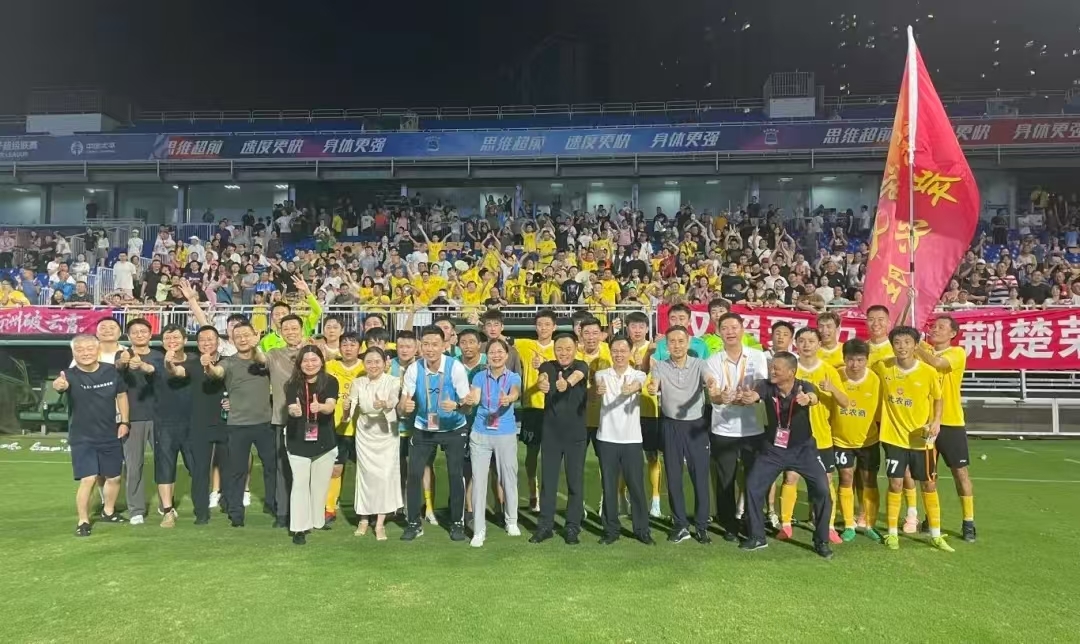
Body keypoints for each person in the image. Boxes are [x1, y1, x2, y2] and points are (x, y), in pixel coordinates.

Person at [738, 352, 835, 559]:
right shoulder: (766, 386)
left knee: (822, 490)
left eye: (777, 368)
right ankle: (757, 536)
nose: (772, 371)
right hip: (773, 451)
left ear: (791, 372)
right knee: (753, 486)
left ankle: (821, 541)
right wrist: (749, 397)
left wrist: (808, 399)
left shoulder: (804, 386)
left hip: (804, 451)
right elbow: (755, 394)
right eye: (771, 367)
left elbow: (814, 397)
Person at [874, 326, 952, 552]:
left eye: (907, 342)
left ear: (915, 345)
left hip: (921, 439)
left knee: (928, 484)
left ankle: (935, 534)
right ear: (892, 345)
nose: (902, 347)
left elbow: (938, 399)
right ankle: (891, 533)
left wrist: (936, 421)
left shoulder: (928, 371)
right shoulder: (883, 366)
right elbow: (857, 368)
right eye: (897, 342)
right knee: (895, 483)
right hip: (893, 438)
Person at [398, 325, 473, 542]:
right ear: (420, 346)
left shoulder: (455, 367)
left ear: (443, 346)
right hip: (423, 427)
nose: (430, 349)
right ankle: (414, 523)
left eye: (435, 344)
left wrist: (458, 406)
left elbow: (467, 407)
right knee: (414, 474)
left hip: (453, 428)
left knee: (455, 474)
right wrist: (405, 408)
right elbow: (403, 405)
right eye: (426, 344)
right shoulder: (414, 369)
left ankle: (457, 522)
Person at [54, 335, 130, 537]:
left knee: (114, 477)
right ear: (74, 353)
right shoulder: (68, 375)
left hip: (110, 434)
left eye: (89, 348)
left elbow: (121, 395)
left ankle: (109, 512)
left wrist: (125, 421)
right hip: (82, 437)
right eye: (80, 349)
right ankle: (83, 521)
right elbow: (59, 385)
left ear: (97, 351)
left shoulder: (111, 371)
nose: (85, 353)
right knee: (88, 479)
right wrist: (59, 385)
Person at [778, 327, 848, 544]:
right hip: (794, 436)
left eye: (811, 341)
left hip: (821, 436)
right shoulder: (789, 369)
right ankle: (786, 525)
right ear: (796, 344)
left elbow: (845, 402)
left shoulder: (829, 370)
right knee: (791, 477)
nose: (806, 345)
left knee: (826, 481)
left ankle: (828, 526)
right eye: (802, 341)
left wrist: (832, 389)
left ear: (819, 344)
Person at [704, 313, 768, 542]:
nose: (730, 332)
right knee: (725, 480)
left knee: (754, 479)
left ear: (742, 329)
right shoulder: (713, 360)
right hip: (724, 428)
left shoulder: (758, 356)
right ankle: (729, 524)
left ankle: (752, 521)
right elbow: (713, 393)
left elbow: (762, 385)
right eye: (725, 328)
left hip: (753, 428)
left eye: (734, 327)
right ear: (719, 332)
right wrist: (720, 397)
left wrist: (754, 396)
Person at [206, 322, 277, 528]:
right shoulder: (229, 362)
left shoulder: (264, 359)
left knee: (271, 467)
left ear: (255, 335)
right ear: (233, 340)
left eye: (247, 335)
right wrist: (208, 366)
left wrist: (256, 348)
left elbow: (262, 360)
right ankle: (236, 512)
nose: (243, 339)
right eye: (238, 336)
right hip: (237, 425)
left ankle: (274, 505)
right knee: (237, 470)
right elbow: (217, 373)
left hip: (265, 423)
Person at [649, 325, 714, 544]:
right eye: (672, 342)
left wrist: (712, 384)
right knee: (674, 477)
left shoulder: (699, 364)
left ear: (688, 343)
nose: (676, 346)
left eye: (680, 341)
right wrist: (653, 387)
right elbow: (655, 383)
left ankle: (702, 526)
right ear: (666, 345)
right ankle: (680, 525)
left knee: (700, 476)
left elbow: (708, 378)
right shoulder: (660, 366)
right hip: (670, 426)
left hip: (696, 427)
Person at [916, 315, 977, 543]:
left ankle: (968, 521)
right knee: (928, 476)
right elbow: (901, 331)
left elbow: (937, 364)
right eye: (933, 326)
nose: (935, 329)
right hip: (926, 423)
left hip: (951, 423)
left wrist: (916, 347)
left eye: (941, 327)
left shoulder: (957, 353)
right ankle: (931, 519)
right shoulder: (923, 349)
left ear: (952, 333)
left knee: (960, 473)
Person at [529, 334, 589, 545]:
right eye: (559, 349)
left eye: (568, 349)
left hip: (576, 435)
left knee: (575, 483)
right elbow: (542, 377)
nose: (563, 353)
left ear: (575, 349)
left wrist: (567, 384)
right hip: (551, 435)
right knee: (548, 482)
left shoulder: (581, 365)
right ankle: (545, 526)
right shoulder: (548, 366)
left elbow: (578, 376)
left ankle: (572, 527)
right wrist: (542, 384)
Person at [594, 337, 653, 545]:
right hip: (607, 438)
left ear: (630, 353)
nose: (619, 354)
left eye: (623, 351)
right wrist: (599, 390)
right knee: (609, 486)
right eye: (615, 351)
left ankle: (642, 530)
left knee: (636, 486)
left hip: (631, 440)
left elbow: (639, 384)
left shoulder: (638, 374)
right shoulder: (602, 374)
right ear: (610, 353)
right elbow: (599, 386)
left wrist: (633, 388)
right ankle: (611, 530)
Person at [466, 338, 522, 547]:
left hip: (505, 433)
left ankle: (511, 520)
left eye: (500, 352)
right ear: (486, 356)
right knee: (479, 481)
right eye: (492, 352)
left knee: (508, 477)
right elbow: (475, 396)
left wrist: (509, 398)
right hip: (480, 433)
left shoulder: (513, 376)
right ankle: (479, 529)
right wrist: (470, 399)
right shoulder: (480, 376)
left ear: (506, 355)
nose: (496, 356)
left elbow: (515, 391)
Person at [170, 325, 227, 525]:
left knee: (230, 467)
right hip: (199, 424)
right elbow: (177, 372)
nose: (206, 343)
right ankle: (201, 512)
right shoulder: (192, 363)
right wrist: (169, 363)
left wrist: (209, 366)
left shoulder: (227, 362)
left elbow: (218, 375)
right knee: (200, 470)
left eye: (210, 339)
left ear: (218, 341)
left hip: (226, 423)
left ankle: (231, 506)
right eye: (202, 339)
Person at [282, 346, 339, 545]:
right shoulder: (292, 384)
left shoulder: (330, 381)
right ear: (299, 364)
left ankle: (317, 520)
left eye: (314, 360)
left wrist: (320, 407)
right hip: (297, 439)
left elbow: (331, 405)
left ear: (321, 361)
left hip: (324, 440)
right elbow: (291, 407)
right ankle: (299, 527)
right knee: (300, 483)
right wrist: (295, 411)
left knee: (320, 485)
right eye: (305, 360)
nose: (310, 364)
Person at [831, 339, 882, 543]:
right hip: (841, 440)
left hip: (868, 441)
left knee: (869, 480)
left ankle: (869, 524)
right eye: (851, 360)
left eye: (860, 360)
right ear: (844, 359)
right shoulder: (835, 375)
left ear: (867, 360)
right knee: (845, 478)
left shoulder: (875, 380)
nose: (855, 364)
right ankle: (849, 524)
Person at [264, 314, 308, 528]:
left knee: (308, 466)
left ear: (302, 329)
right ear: (281, 332)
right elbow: (259, 359)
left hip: (310, 420)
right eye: (286, 329)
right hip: (282, 419)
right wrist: (252, 344)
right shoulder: (274, 354)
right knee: (283, 466)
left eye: (294, 328)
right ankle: (283, 512)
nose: (290, 332)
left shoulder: (311, 353)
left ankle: (306, 513)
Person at [115, 318, 161, 526]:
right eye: (135, 332)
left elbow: (158, 375)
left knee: (164, 463)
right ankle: (136, 509)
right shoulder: (122, 355)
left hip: (159, 416)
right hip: (133, 418)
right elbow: (118, 367)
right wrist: (124, 362)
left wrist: (143, 366)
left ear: (150, 334)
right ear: (128, 335)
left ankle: (165, 504)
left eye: (143, 331)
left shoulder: (158, 356)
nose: (139, 335)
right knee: (134, 466)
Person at [153, 325, 196, 528]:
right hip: (165, 423)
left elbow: (179, 372)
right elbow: (146, 369)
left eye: (176, 337)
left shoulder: (194, 361)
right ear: (162, 342)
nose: (172, 341)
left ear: (185, 340)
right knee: (165, 467)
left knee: (196, 466)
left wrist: (169, 365)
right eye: (168, 338)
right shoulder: (155, 362)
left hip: (192, 422)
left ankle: (201, 505)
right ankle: (167, 510)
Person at [515, 309, 557, 512]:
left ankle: (549, 494)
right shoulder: (525, 345)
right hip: (532, 407)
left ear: (554, 327)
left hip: (554, 407)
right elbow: (501, 340)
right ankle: (533, 492)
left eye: (547, 324)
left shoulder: (561, 347)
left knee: (552, 454)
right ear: (535, 327)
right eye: (540, 324)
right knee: (531, 453)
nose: (543, 328)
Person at [324, 332, 365, 526]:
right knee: (335, 469)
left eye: (353, 344)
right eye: (345, 345)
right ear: (339, 347)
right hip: (336, 428)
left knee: (365, 471)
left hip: (362, 429)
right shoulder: (329, 366)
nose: (348, 348)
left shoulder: (367, 367)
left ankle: (365, 510)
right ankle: (329, 508)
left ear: (360, 347)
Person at [626, 311, 663, 517]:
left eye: (641, 326)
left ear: (647, 329)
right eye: (633, 326)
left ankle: (655, 500)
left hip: (649, 410)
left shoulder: (656, 348)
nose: (637, 330)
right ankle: (623, 497)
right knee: (626, 457)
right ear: (627, 328)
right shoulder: (621, 348)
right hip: (626, 411)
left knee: (652, 456)